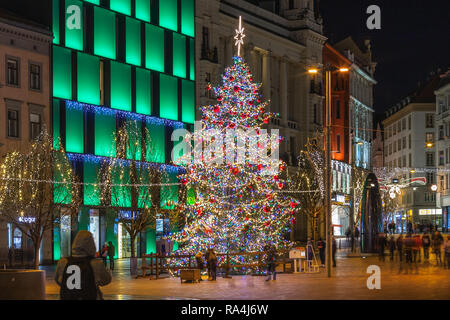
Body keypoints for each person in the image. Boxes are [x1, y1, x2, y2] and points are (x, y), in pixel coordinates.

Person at [55, 231, 112, 300]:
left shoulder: (63, 262)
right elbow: (105, 280)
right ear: (91, 244)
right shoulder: (95, 263)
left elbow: (58, 280)